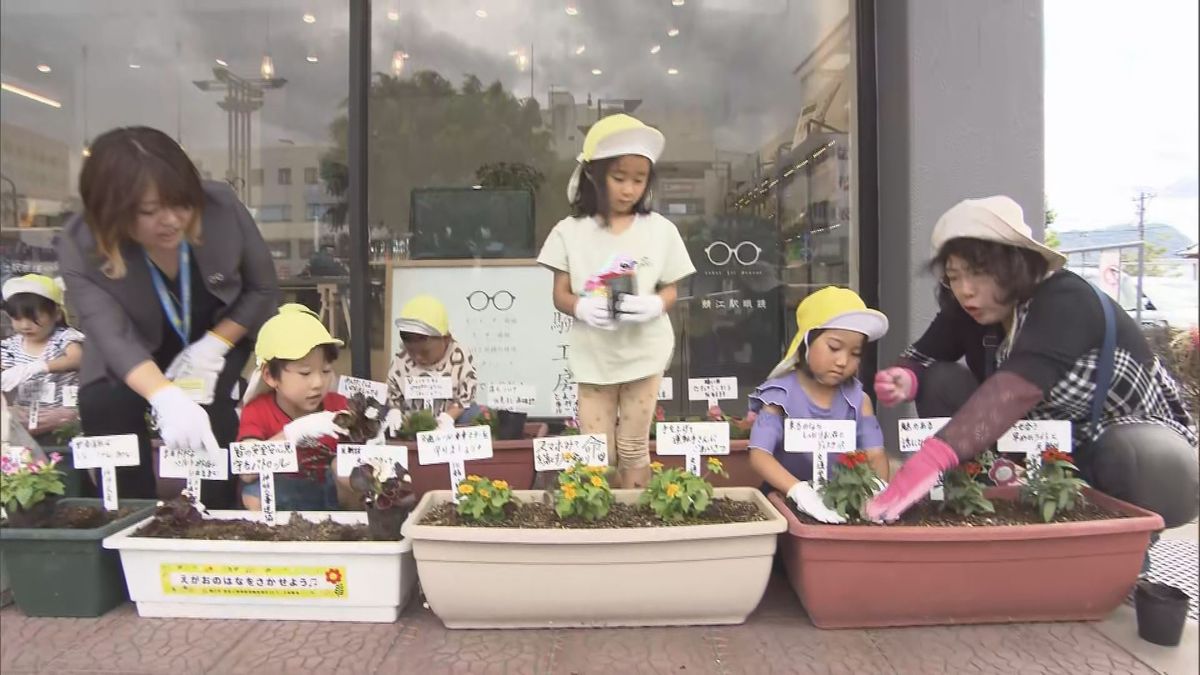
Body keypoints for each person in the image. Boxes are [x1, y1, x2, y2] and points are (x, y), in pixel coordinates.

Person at [868, 196, 1198, 526]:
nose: (965, 290)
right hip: (1032, 447)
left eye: (979, 272)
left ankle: (1127, 541)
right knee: (938, 379)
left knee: (1141, 452)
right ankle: (984, 506)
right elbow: (921, 357)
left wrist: (932, 457)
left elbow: (1016, 388)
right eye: (955, 276)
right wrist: (905, 377)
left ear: (1018, 266)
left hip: (1112, 449)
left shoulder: (1066, 299)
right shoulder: (971, 310)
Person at [55, 126, 279, 508]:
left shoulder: (222, 208)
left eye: (182, 203)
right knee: (107, 410)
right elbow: (111, 335)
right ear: (113, 210)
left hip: (211, 337)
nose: (172, 220)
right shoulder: (80, 243)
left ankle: (215, 529)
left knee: (212, 420)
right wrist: (165, 397)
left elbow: (262, 289)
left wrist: (215, 345)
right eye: (149, 210)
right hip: (127, 351)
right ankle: (127, 532)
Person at [537, 114, 696, 489]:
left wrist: (655, 305)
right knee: (596, 450)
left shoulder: (660, 230)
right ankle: (598, 520)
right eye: (619, 178)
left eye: (638, 180)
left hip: (644, 353)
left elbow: (671, 287)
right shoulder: (570, 231)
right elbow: (560, 292)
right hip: (594, 357)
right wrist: (580, 307)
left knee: (634, 446)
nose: (628, 189)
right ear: (594, 175)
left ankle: (635, 519)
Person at [746, 287, 889, 523]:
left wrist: (877, 492)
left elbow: (875, 453)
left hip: (844, 500)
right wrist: (799, 491)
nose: (843, 361)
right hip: (783, 498)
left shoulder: (858, 400)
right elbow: (759, 454)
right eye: (834, 347)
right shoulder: (779, 396)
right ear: (806, 342)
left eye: (855, 353)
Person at [238, 304, 348, 511]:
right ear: (270, 375)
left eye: (325, 371)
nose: (318, 383)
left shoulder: (338, 405)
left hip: (330, 498)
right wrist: (293, 433)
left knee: (343, 469)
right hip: (280, 499)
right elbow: (246, 469)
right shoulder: (258, 410)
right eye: (305, 373)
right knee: (253, 494)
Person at [1, 274, 85, 439]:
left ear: (57, 314)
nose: (25, 325)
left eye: (34, 318)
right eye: (17, 318)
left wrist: (39, 366)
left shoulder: (65, 337)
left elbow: (77, 359)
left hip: (64, 421)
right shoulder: (10, 347)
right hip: (25, 420)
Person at [383, 295, 479, 435]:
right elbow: (393, 392)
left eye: (425, 352)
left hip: (451, 419)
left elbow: (466, 395)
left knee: (473, 412)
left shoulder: (459, 356)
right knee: (381, 411)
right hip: (411, 420)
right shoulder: (402, 360)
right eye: (411, 351)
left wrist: (449, 417)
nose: (418, 357)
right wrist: (394, 410)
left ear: (446, 339)